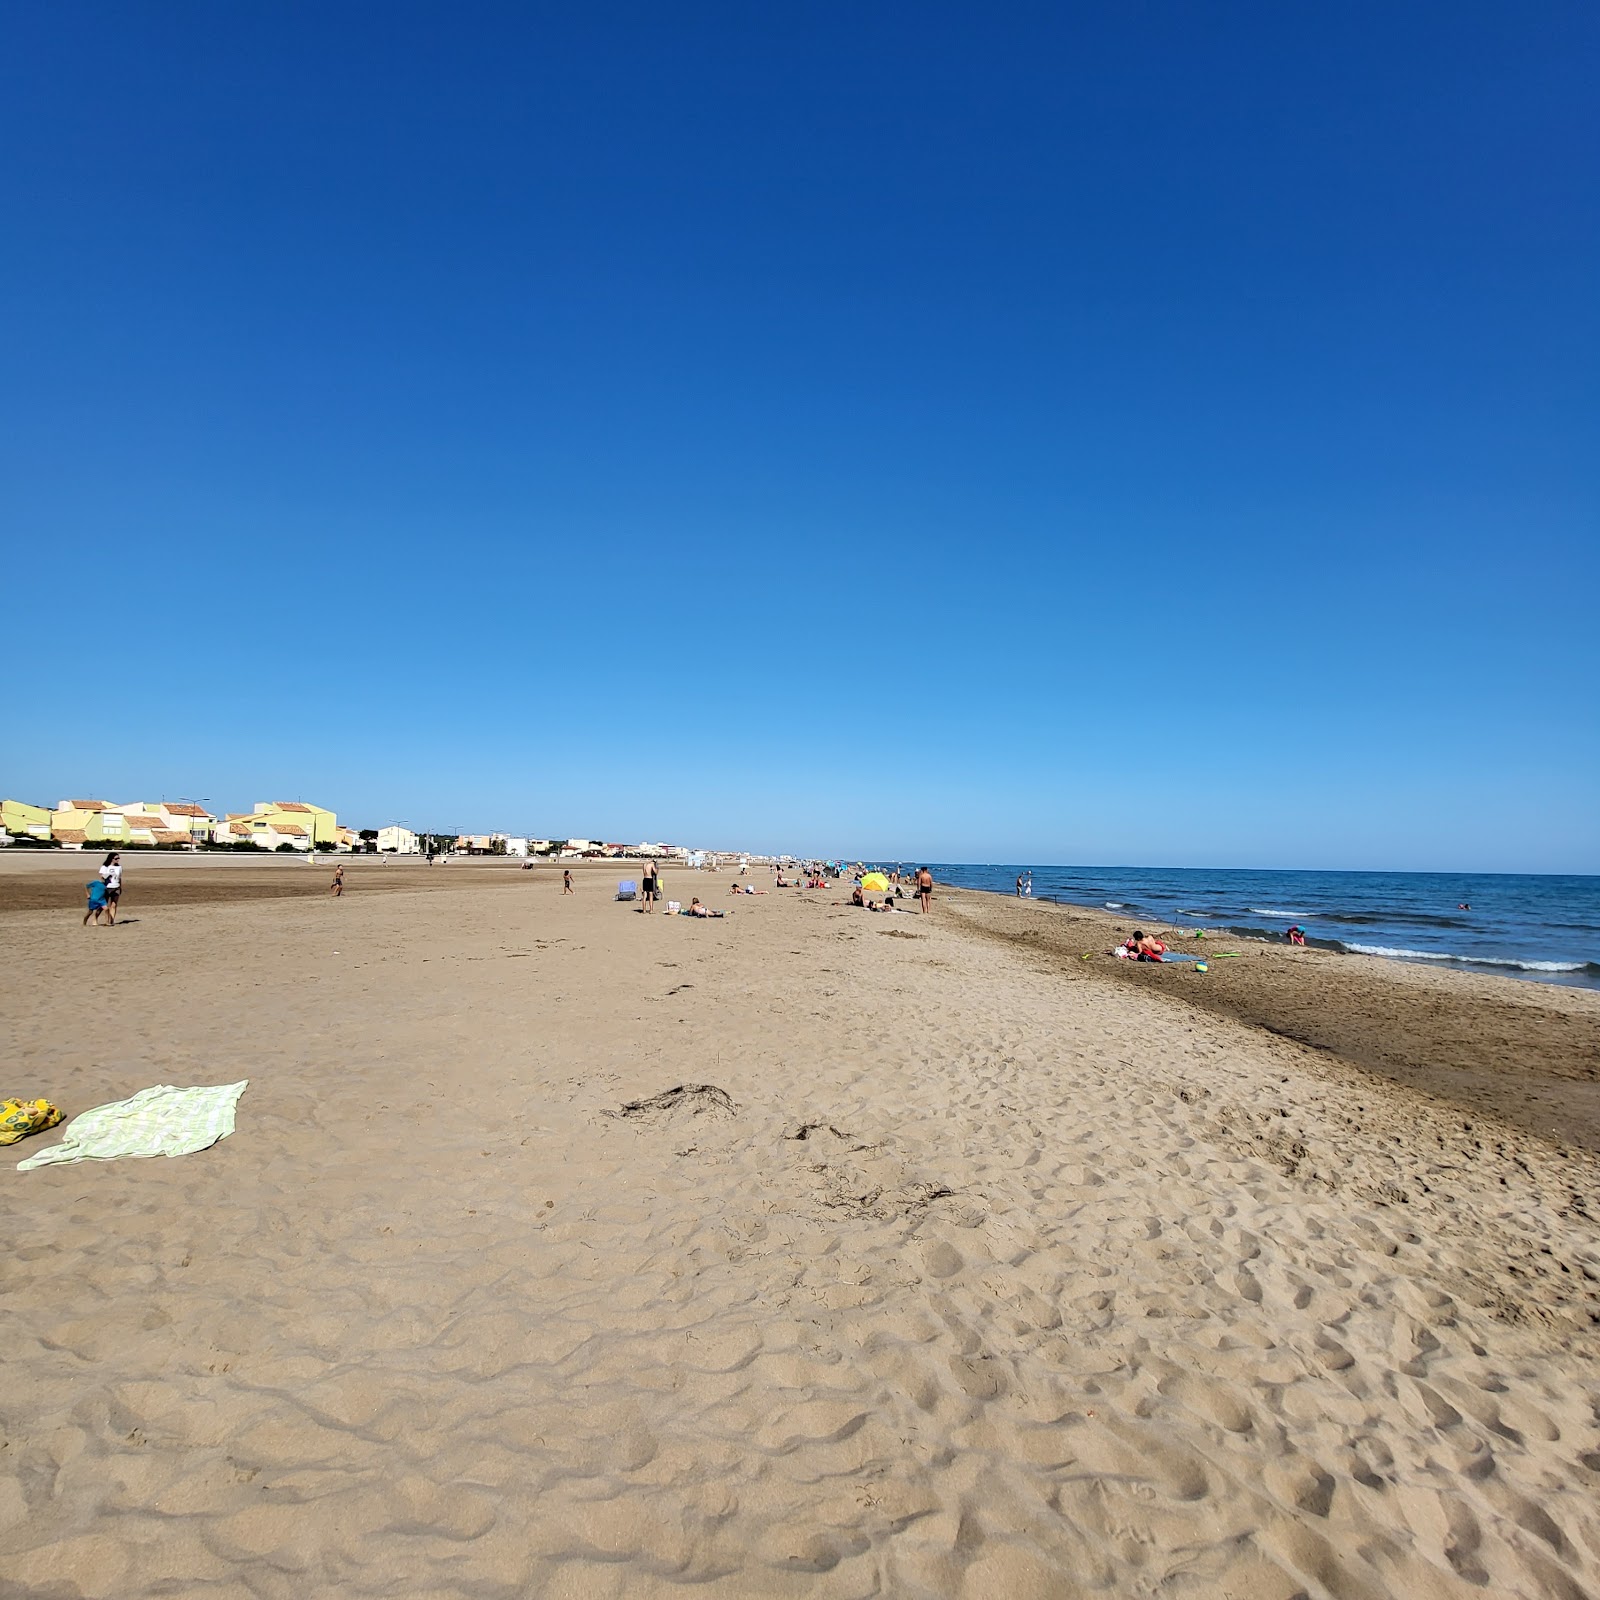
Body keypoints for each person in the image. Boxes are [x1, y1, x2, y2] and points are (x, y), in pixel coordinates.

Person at [99, 853, 123, 925]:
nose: (118, 860)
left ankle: (111, 921)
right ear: (111, 859)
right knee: (104, 905)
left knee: (114, 905)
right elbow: (101, 877)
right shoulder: (105, 867)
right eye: (116, 858)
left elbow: (119, 878)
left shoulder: (119, 867)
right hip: (107, 887)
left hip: (116, 887)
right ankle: (103, 919)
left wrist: (120, 887)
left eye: (118, 858)